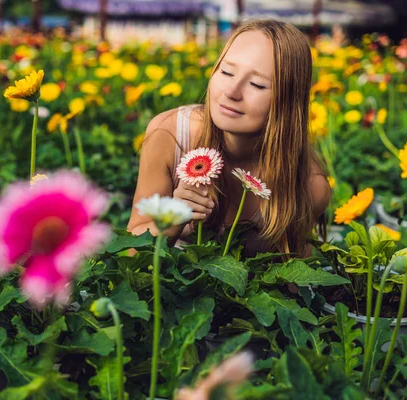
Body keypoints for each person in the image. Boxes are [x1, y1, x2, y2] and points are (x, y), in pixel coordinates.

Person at [127, 19, 331, 258]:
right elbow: (130, 252)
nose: (232, 92)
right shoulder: (170, 135)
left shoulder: (308, 186)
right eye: (226, 71)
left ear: (288, 102)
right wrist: (173, 217)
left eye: (257, 84)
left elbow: (293, 277)